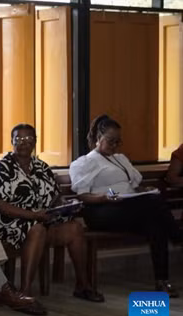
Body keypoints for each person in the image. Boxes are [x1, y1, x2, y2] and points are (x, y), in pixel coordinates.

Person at [0, 124, 103, 309]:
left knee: (74, 228)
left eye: (29, 139)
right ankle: (24, 293)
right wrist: (33, 215)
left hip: (42, 220)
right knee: (37, 229)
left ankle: (83, 285)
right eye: (19, 139)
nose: (24, 143)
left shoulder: (41, 167)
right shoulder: (2, 167)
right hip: (9, 224)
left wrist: (65, 205)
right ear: (11, 141)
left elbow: (55, 196)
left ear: (35, 141)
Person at [70, 114, 182, 297]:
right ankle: (177, 236)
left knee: (155, 224)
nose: (115, 146)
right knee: (154, 204)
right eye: (111, 141)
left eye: (118, 142)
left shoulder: (120, 158)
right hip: (100, 210)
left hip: (127, 207)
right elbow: (83, 196)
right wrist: (106, 197)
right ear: (98, 139)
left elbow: (132, 185)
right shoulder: (84, 163)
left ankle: (162, 281)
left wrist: (143, 190)